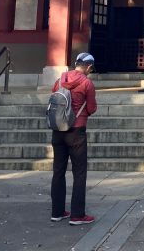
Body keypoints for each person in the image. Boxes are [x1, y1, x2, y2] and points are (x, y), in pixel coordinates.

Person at [50, 52, 97, 226]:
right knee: (79, 173)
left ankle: (57, 212)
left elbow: (54, 98)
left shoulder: (60, 80)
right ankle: (77, 215)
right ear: (89, 67)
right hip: (77, 131)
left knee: (58, 171)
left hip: (58, 129)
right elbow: (91, 108)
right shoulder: (87, 83)